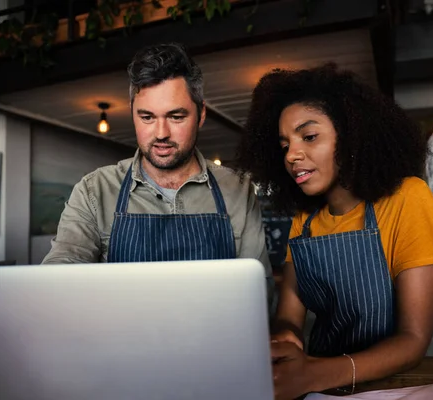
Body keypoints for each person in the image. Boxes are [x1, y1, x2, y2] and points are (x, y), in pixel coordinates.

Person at [235, 63, 433, 400]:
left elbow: (413, 340)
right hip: (319, 389)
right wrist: (285, 340)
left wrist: (312, 373)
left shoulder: (407, 199)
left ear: (351, 136)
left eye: (309, 137)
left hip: (391, 387)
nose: (292, 155)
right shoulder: (304, 221)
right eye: (284, 145)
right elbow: (290, 317)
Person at [42, 43, 273, 302]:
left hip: (213, 340)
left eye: (176, 117)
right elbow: (60, 276)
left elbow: (259, 292)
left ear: (201, 115)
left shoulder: (238, 190)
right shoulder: (94, 190)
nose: (161, 133)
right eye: (147, 117)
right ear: (132, 114)